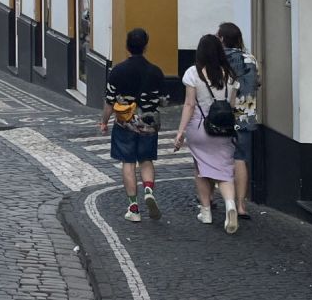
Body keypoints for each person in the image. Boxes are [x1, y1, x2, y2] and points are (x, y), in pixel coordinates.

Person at [173, 33, 242, 233]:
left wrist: (180, 132)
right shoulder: (230, 75)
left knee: (201, 169)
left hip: (200, 128)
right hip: (224, 129)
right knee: (225, 170)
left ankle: (206, 212)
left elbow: (189, 104)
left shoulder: (193, 73)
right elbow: (230, 105)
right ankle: (230, 204)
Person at [100, 27, 166, 222]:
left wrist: (104, 122)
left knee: (128, 163)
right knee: (146, 160)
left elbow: (109, 101)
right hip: (149, 124)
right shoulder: (156, 71)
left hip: (125, 124)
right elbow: (163, 100)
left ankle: (134, 207)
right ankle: (148, 189)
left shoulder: (117, 71)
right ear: (146, 46)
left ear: (127, 47)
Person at [218, 22, 260, 219]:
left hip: (222, 117)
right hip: (246, 116)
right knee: (241, 159)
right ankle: (241, 205)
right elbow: (256, 84)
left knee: (216, 159)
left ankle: (211, 200)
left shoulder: (219, 59)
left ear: (222, 38)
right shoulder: (250, 59)